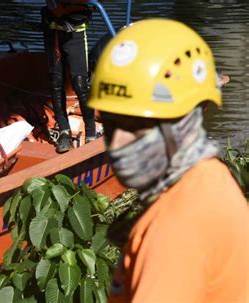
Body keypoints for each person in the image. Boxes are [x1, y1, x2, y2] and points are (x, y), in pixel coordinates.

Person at [88, 19, 247, 302]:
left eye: (138, 124)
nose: (118, 143)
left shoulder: (176, 229)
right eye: (111, 124)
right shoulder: (207, 179)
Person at [41, 0, 96, 153]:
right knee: (56, 81)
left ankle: (91, 134)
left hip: (75, 34)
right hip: (53, 32)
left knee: (79, 84)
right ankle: (65, 132)